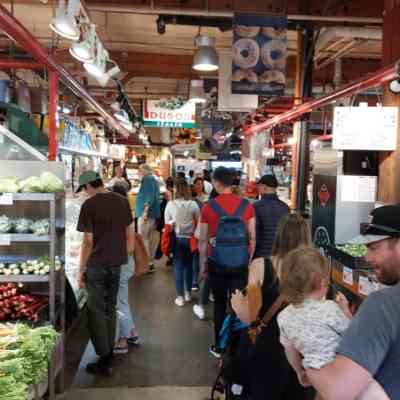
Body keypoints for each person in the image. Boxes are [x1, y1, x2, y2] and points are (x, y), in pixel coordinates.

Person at [308, 205, 400, 400]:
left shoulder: (383, 305)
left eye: (373, 247)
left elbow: (337, 391)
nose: (367, 257)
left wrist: (307, 360)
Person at [277, 246, 388, 400]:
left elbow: (289, 349)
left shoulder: (283, 316)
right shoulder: (329, 309)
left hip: (314, 371)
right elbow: (353, 334)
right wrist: (345, 310)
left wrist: (299, 371)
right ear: (322, 282)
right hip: (341, 370)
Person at [231, 212, 314, 400]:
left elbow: (249, 314)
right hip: (301, 348)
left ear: (279, 235)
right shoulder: (314, 272)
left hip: (266, 346)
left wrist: (237, 303)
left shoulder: (260, 265)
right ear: (307, 238)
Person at [76, 171, 134, 376]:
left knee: (96, 311)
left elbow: (88, 242)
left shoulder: (89, 206)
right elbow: (130, 233)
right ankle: (108, 351)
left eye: (84, 190)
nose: (85, 194)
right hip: (116, 263)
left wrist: (80, 270)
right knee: (110, 306)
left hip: (97, 266)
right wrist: (123, 254)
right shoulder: (121, 201)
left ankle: (104, 357)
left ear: (88, 186)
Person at [199, 166, 256, 358]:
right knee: (239, 303)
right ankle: (238, 345)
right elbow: (253, 237)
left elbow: (202, 239)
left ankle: (219, 346)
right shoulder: (247, 206)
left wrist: (203, 264)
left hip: (217, 263)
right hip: (240, 263)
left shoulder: (208, 207)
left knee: (220, 304)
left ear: (215, 183)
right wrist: (247, 260)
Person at [112, 184, 140, 354]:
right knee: (123, 301)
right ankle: (132, 333)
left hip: (121, 263)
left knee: (120, 302)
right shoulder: (128, 215)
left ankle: (123, 340)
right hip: (127, 263)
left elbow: (127, 246)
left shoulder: (117, 217)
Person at [165, 179, 200, 306]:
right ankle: (188, 294)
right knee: (189, 266)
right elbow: (199, 222)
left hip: (177, 239)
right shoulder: (193, 204)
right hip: (191, 239)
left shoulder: (171, 204)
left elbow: (167, 223)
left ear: (175, 190)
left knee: (178, 268)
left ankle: (179, 297)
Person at [254, 174, 290, 258]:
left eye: (259, 186)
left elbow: (254, 234)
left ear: (264, 187)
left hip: (261, 254)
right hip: (280, 254)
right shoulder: (285, 207)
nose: (258, 189)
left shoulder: (257, 207)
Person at [135, 164, 161, 273]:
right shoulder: (153, 179)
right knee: (148, 239)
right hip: (151, 214)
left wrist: (145, 211)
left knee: (144, 239)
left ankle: (147, 264)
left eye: (140, 170)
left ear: (145, 170)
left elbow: (149, 196)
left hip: (146, 214)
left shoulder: (148, 179)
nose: (139, 173)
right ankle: (149, 263)